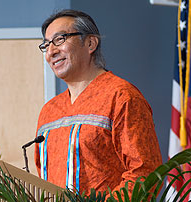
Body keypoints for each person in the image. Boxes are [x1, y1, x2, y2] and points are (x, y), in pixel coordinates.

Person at [34, 9, 162, 197]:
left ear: (90, 43)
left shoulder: (121, 96)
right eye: (46, 45)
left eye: (60, 39)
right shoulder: (49, 111)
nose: (51, 51)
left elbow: (145, 173)